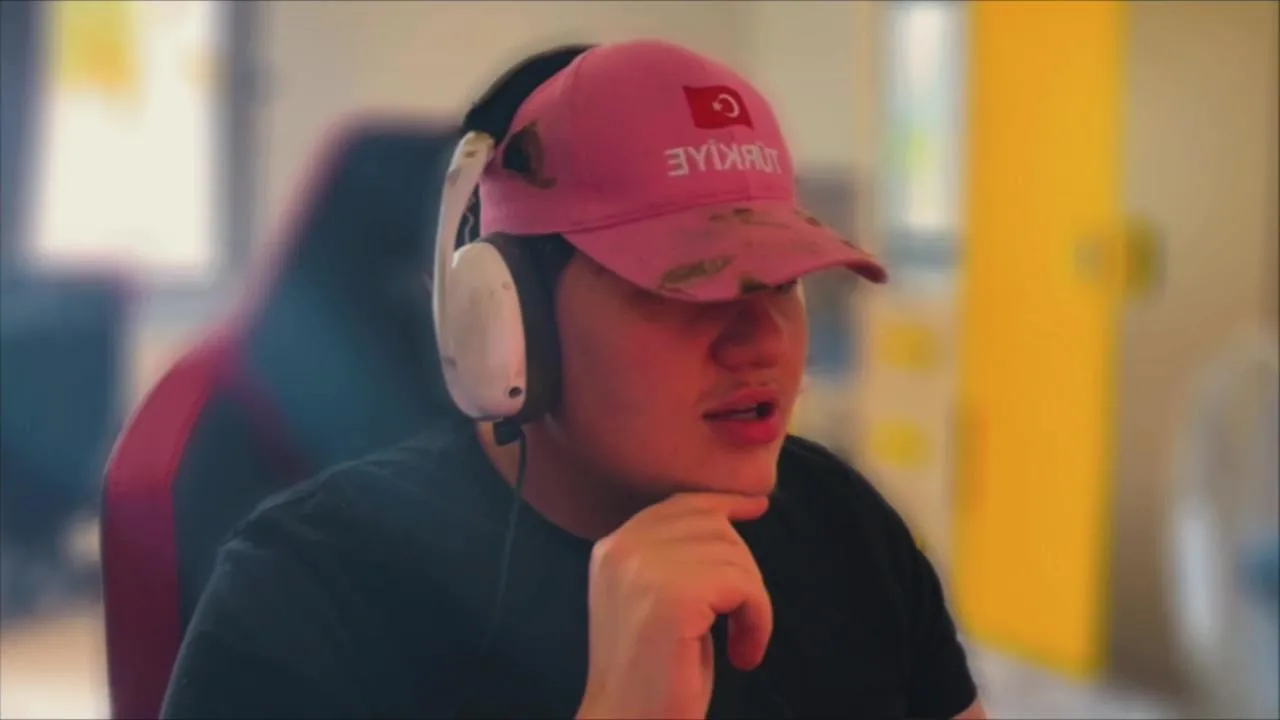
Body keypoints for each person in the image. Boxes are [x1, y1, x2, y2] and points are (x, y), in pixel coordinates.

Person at [163, 39, 985, 719]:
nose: (763, 341)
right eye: (685, 286)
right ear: (507, 321)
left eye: (782, 280)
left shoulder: (847, 530)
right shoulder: (306, 593)